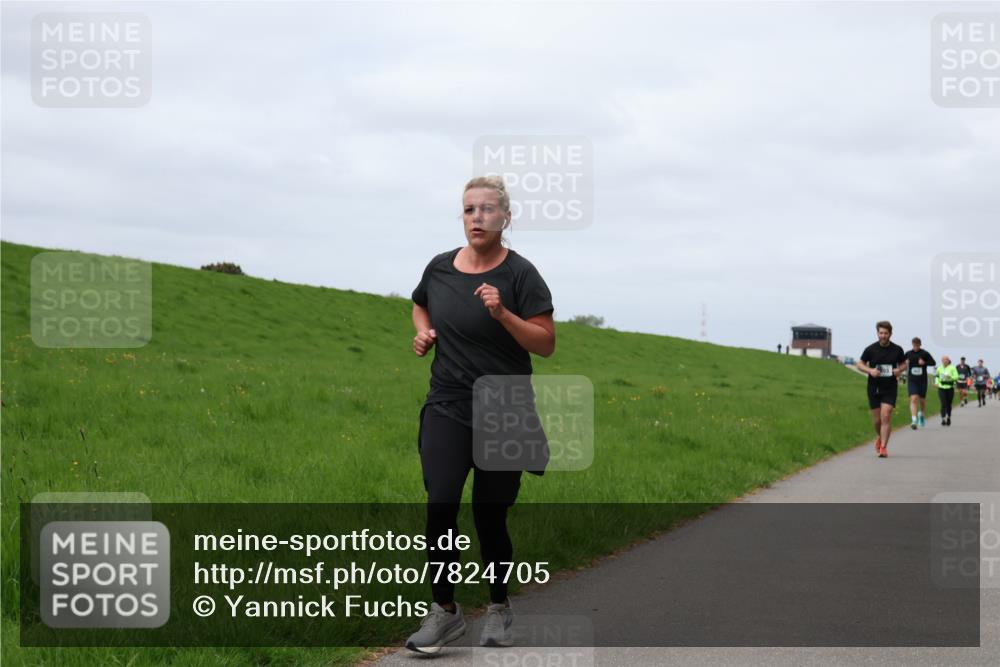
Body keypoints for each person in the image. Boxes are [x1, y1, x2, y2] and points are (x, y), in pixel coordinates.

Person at [407, 175, 555, 654]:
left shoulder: (521, 275)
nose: (477, 217)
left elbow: (546, 344)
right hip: (447, 403)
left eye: (488, 209)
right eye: (469, 209)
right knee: (441, 504)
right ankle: (445, 612)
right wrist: (424, 334)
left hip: (504, 408)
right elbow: (419, 305)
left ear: (505, 219)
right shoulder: (440, 267)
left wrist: (503, 315)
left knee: (490, 517)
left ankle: (498, 606)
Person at [857, 321, 907, 458]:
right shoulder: (870, 349)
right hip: (874, 387)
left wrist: (899, 370)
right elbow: (859, 364)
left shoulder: (897, 349)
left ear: (890, 334)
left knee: (886, 415)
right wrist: (870, 370)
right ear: (877, 333)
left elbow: (904, 364)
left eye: (886, 333)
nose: (883, 336)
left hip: (890, 386)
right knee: (877, 421)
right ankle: (880, 437)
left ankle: (883, 447)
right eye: (881, 333)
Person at [904, 337, 936, 429]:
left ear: (920, 345)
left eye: (917, 345)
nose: (916, 347)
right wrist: (905, 362)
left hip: (922, 380)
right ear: (912, 344)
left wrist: (924, 363)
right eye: (914, 345)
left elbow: (933, 362)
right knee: (913, 398)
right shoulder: (908, 354)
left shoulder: (924, 353)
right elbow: (901, 363)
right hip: (912, 380)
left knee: (922, 401)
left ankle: (921, 415)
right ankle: (913, 420)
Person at [934, 355, 959, 426]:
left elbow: (956, 377)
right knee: (943, 403)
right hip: (941, 388)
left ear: (948, 361)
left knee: (948, 404)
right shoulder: (939, 368)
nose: (944, 361)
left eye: (946, 360)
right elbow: (937, 376)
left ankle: (948, 417)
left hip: (950, 388)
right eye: (943, 360)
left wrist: (950, 377)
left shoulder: (952, 368)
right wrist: (936, 383)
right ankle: (943, 419)